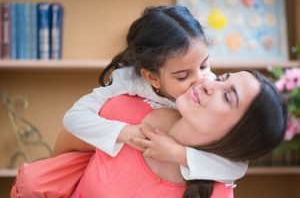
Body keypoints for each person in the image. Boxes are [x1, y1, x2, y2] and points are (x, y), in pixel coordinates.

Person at [11, 70, 287, 198]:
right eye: (223, 78)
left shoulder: (215, 190)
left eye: (228, 97)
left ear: (239, 136)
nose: (209, 84)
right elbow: (63, 155)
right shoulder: (123, 108)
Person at [62, 5, 247, 183]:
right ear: (151, 77)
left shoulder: (212, 89)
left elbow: (238, 167)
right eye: (183, 76)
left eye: (204, 65)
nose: (201, 80)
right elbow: (74, 118)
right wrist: (126, 133)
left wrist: (178, 153)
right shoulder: (129, 80)